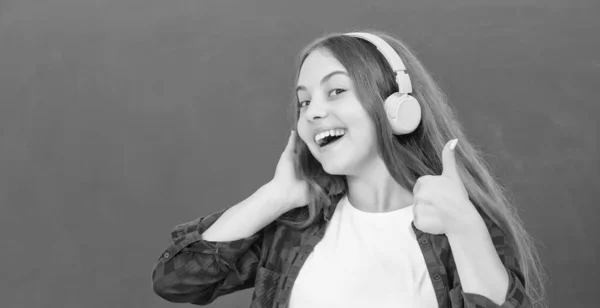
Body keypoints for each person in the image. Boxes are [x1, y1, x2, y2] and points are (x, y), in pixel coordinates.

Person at [151, 30, 546, 308]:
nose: (314, 111)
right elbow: (176, 280)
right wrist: (274, 196)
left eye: (336, 91)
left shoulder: (457, 226)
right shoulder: (296, 224)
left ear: (397, 106)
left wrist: (465, 229)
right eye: (304, 102)